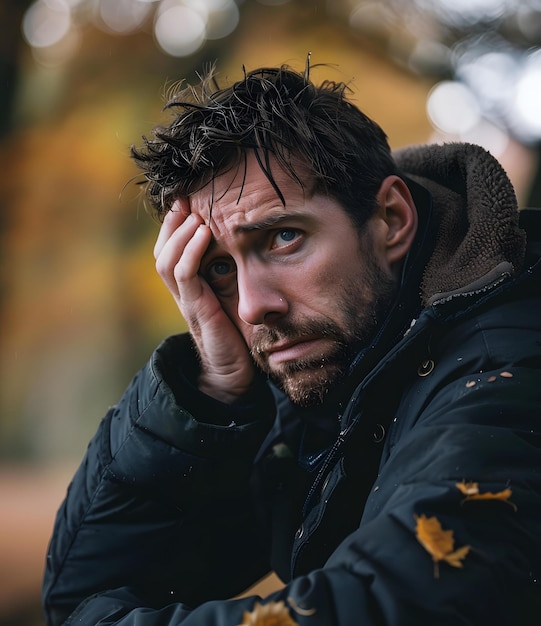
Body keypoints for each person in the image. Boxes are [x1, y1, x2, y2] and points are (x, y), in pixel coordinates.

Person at [42, 63, 541, 626]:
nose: (254, 306)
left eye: (283, 238)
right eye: (219, 268)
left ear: (392, 219)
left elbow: (394, 608)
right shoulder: (335, 362)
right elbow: (79, 592)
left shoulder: (506, 364)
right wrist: (212, 390)